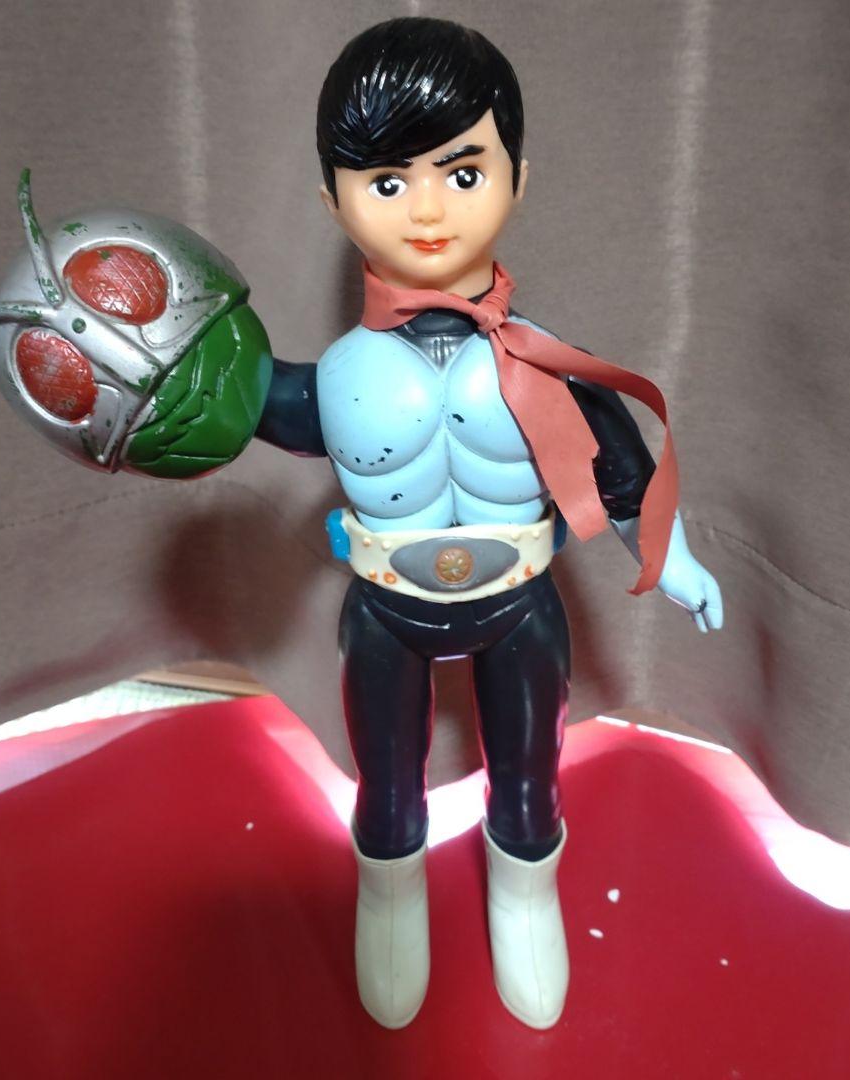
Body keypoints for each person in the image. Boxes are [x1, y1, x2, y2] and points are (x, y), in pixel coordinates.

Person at [254, 17, 723, 1030]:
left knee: (529, 770)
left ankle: (523, 893)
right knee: (387, 779)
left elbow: (625, 471)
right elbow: (243, 404)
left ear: (518, 177)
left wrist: (673, 554)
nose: (427, 209)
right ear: (331, 198)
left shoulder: (546, 363)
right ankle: (389, 895)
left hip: (520, 606)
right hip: (386, 610)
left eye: (462, 172)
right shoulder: (333, 379)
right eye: (386, 182)